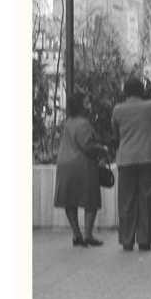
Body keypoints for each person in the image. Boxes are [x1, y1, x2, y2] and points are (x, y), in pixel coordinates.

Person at [112, 77, 151, 251]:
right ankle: (145, 240)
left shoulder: (118, 109)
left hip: (126, 159)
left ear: (125, 92)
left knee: (127, 200)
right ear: (142, 91)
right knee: (147, 199)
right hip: (148, 157)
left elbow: (116, 135)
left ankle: (127, 240)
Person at [54, 91, 109, 247]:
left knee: (70, 200)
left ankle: (77, 235)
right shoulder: (83, 123)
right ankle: (88, 235)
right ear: (79, 107)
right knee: (91, 200)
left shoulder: (69, 122)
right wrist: (102, 149)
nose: (90, 106)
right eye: (87, 103)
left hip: (64, 164)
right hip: (82, 165)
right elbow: (87, 146)